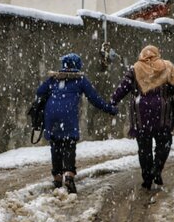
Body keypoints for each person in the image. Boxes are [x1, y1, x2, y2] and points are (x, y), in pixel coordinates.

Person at [36, 53, 117, 194]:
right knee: (69, 144)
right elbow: (94, 98)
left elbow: (39, 91)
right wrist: (109, 109)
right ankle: (68, 176)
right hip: (68, 115)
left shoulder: (54, 78)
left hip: (51, 114)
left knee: (55, 144)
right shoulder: (80, 80)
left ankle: (57, 178)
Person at [110, 45, 174, 190]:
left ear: (142, 55)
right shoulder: (167, 66)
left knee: (144, 148)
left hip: (141, 115)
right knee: (164, 142)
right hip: (162, 113)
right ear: (157, 54)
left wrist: (113, 101)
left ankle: (147, 177)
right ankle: (157, 169)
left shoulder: (135, 68)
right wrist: (166, 94)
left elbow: (123, 87)